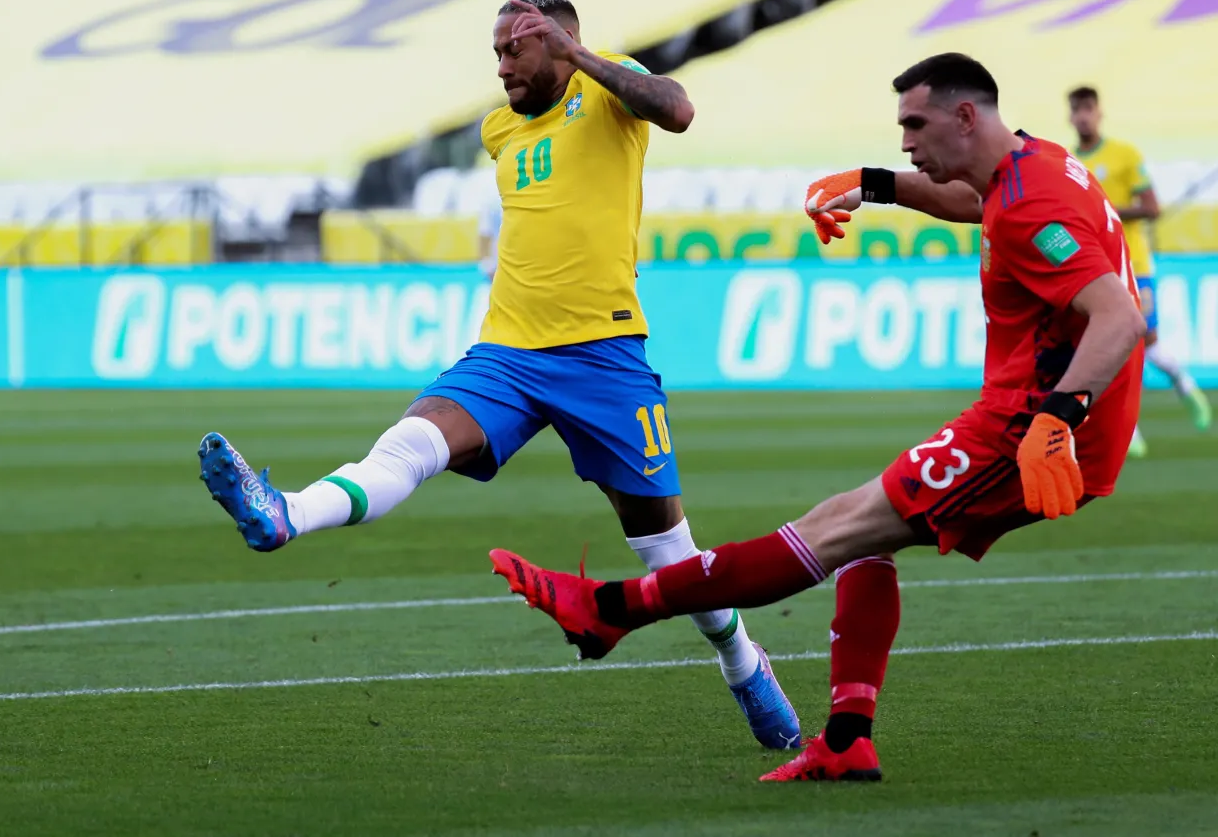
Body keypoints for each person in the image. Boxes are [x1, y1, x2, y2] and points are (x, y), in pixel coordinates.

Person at [489, 53, 1146, 782]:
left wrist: (1058, 419)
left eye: (914, 123)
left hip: (1032, 431)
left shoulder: (1030, 204)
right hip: (1039, 417)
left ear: (966, 116)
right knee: (866, 533)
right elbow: (977, 204)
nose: (904, 141)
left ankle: (613, 608)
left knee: (830, 531)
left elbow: (1119, 316)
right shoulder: (1033, 165)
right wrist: (870, 186)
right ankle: (846, 737)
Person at [197, 0, 801, 750]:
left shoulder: (609, 86)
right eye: (496, 54)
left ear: (555, 42)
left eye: (514, 50)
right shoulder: (498, 128)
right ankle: (286, 513)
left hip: (604, 356)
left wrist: (581, 55)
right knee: (410, 445)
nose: (502, 68)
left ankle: (745, 665)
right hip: (507, 351)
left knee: (667, 552)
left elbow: (678, 111)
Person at [1068, 85, 1211, 457]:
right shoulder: (1068, 163)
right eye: (1076, 109)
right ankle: (1127, 430)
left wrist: (1105, 211)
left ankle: (1183, 383)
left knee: (1145, 340)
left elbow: (1151, 207)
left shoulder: (1124, 154)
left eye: (1088, 108)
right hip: (1095, 268)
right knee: (1107, 345)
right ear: (1070, 116)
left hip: (1134, 264)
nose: (1082, 115)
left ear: (1099, 112)